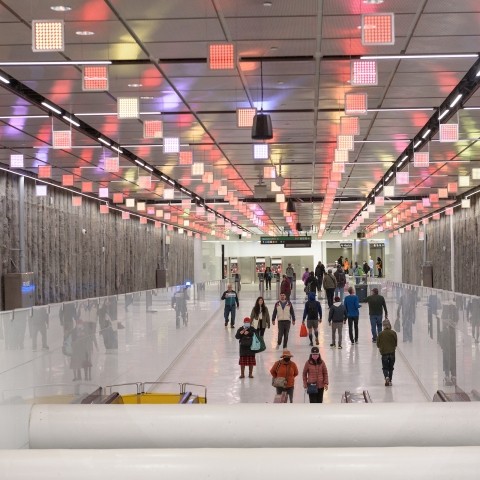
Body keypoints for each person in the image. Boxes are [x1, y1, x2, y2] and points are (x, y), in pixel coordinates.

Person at [377, 319, 397, 386]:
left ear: (383, 326)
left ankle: (386, 377)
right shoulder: (393, 333)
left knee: (385, 367)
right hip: (392, 353)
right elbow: (395, 343)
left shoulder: (380, 334)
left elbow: (378, 344)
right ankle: (390, 380)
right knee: (391, 368)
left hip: (384, 353)